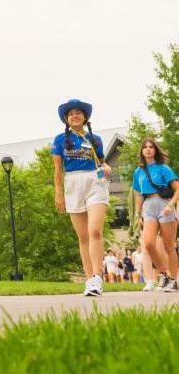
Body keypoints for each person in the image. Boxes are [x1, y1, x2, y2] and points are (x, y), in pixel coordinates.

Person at [52, 99, 111, 297]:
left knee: (94, 230)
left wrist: (106, 166)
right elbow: (58, 169)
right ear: (66, 120)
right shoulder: (60, 140)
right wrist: (59, 193)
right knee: (83, 236)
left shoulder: (95, 139)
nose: (74, 116)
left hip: (95, 182)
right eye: (70, 114)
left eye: (78, 113)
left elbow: (101, 162)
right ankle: (90, 281)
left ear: (85, 117)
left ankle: (97, 277)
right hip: (72, 184)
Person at [132, 138, 179, 292]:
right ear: (142, 151)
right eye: (145, 147)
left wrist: (170, 206)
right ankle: (163, 274)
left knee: (168, 246)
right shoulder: (138, 171)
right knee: (149, 243)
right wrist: (138, 215)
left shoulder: (163, 168)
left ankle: (173, 280)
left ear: (155, 150)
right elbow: (138, 195)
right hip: (148, 207)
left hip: (164, 205)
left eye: (151, 147)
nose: (148, 149)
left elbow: (177, 189)